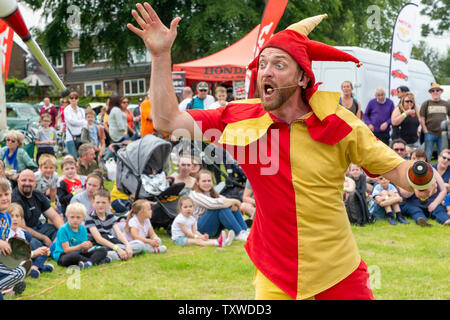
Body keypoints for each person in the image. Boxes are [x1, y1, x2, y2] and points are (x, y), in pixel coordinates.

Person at [128, 4, 439, 299]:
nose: (267, 72)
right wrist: (160, 56)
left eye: (279, 65)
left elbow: (396, 168)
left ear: (303, 76)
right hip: (275, 273)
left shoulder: (339, 123)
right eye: (263, 64)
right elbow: (168, 120)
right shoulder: (239, 118)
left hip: (337, 269)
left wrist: (419, 180)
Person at [189, 170, 249, 241]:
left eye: (209, 181)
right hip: (200, 229)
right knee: (221, 207)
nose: (207, 183)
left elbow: (224, 200)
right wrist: (235, 201)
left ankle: (245, 230)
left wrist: (233, 203)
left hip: (213, 228)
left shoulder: (212, 193)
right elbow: (212, 204)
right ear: (197, 182)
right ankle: (238, 234)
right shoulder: (194, 194)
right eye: (204, 181)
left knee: (231, 206)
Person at [85, 189, 144, 261]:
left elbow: (119, 233)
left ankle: (121, 253)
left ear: (109, 203)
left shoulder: (110, 216)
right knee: (104, 252)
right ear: (93, 203)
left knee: (139, 244)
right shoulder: (90, 218)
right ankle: (117, 254)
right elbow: (99, 239)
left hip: (112, 243)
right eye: (98, 202)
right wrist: (117, 248)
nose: (100, 205)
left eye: (103, 202)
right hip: (99, 246)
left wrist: (127, 245)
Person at [11, 170, 64, 247]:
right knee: (34, 243)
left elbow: (54, 216)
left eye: (30, 180)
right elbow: (22, 227)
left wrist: (63, 232)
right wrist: (43, 238)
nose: (27, 183)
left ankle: (56, 247)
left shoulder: (38, 194)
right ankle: (53, 248)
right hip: (25, 232)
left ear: (35, 182)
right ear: (18, 181)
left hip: (39, 227)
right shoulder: (15, 199)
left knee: (58, 231)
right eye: (23, 180)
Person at [51, 202, 109, 268]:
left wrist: (86, 247)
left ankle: (89, 263)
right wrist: (81, 246)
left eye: (78, 217)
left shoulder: (83, 229)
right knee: (74, 256)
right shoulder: (63, 229)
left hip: (79, 254)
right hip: (63, 256)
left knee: (103, 250)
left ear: (83, 218)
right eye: (72, 217)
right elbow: (66, 250)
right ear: (67, 216)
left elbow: (84, 251)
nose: (75, 220)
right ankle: (96, 261)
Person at [6, 203, 53, 279]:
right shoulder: (6, 234)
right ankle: (38, 268)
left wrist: (38, 252)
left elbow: (25, 251)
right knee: (25, 262)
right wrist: (34, 253)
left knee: (43, 251)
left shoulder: (21, 233)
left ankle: (34, 268)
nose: (14, 219)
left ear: (21, 219)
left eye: (17, 216)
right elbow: (14, 255)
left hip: (23, 258)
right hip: (11, 261)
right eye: (11, 216)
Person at [0, 179, 28, 299]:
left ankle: (5, 289)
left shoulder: (7, 216)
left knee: (20, 271)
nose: (4, 198)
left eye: (6, 194)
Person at [419, 83, 450, 162]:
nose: (435, 92)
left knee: (443, 155)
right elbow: (422, 118)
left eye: (437, 90)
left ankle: (441, 173)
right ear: (430, 92)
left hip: (442, 134)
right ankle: (426, 172)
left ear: (441, 92)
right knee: (427, 155)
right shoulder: (426, 103)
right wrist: (425, 131)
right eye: (433, 90)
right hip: (429, 133)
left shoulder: (446, 104)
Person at [64, 91, 87, 158]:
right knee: (74, 158)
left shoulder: (81, 110)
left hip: (81, 136)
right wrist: (82, 122)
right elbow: (71, 121)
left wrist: (81, 122)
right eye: (72, 98)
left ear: (78, 99)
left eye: (76, 98)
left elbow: (86, 122)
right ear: (69, 99)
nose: (74, 100)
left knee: (83, 157)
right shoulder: (67, 110)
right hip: (71, 137)